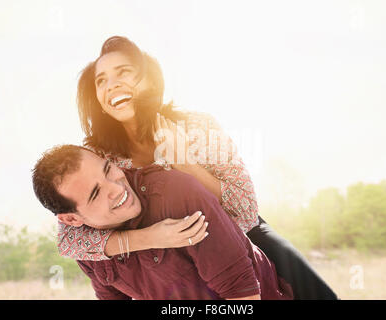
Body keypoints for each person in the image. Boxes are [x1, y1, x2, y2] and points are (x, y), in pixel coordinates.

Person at [58, 35, 337, 299]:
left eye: (124, 72)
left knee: (317, 293)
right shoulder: (97, 156)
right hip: (159, 256)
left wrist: (187, 166)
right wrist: (146, 238)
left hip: (233, 237)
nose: (112, 84)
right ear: (100, 103)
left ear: (150, 81)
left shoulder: (198, 126)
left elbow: (246, 211)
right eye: (101, 80)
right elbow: (69, 240)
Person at [32, 144, 294, 300]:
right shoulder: (87, 247)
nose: (115, 187)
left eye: (108, 169)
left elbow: (242, 294)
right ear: (71, 219)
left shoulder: (178, 195)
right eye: (95, 193)